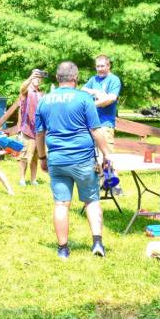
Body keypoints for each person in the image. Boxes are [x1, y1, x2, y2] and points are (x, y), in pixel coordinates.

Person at [35, 61, 112, 259]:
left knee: (61, 204)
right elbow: (95, 130)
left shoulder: (44, 100)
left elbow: (39, 134)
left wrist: (42, 157)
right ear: (76, 78)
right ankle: (97, 244)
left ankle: (62, 249)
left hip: (57, 159)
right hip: (83, 160)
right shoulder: (83, 98)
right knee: (92, 200)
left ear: (57, 78)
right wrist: (106, 154)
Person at [81, 54, 122, 194]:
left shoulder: (114, 80)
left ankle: (115, 185)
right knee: (94, 155)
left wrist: (92, 104)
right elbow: (82, 91)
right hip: (91, 124)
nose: (100, 69)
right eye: (97, 66)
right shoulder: (93, 79)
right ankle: (100, 182)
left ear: (108, 66)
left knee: (107, 153)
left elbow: (110, 99)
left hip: (105, 123)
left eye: (102, 66)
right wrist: (94, 92)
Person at [17, 69, 44, 186]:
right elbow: (22, 88)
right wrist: (30, 77)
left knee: (35, 157)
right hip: (27, 129)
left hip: (38, 130)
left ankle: (33, 179)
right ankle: (22, 178)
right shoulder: (27, 91)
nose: (37, 79)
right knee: (23, 156)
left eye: (39, 77)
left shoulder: (41, 94)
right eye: (35, 77)